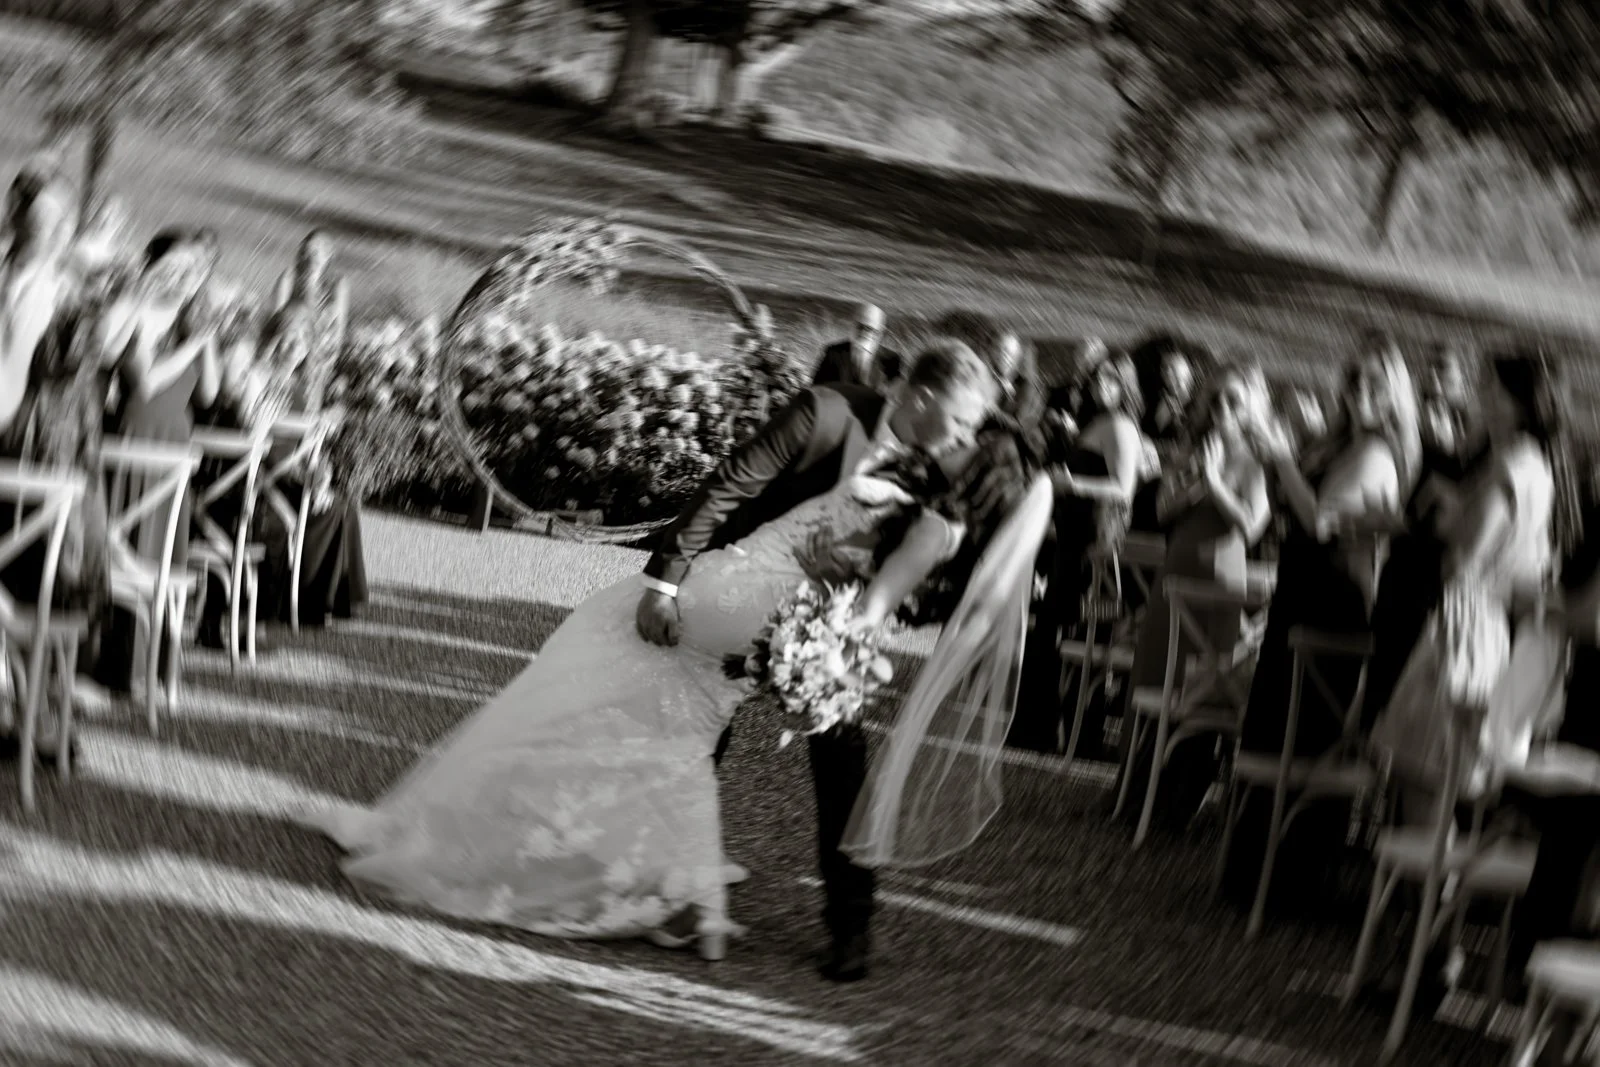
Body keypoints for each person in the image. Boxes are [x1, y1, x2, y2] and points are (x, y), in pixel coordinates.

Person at [296, 344, 1021, 976]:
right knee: (685, 731)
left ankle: (851, 922)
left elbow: (940, 542)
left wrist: (862, 617)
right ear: (920, 398)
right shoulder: (827, 412)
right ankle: (657, 877)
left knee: (841, 761)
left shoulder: (943, 465)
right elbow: (731, 483)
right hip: (735, 596)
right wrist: (665, 580)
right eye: (956, 420)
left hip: (827, 630)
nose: (962, 438)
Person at [1221, 334, 1421, 909]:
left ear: (1393, 396)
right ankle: (1253, 871)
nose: (1359, 390)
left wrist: (1282, 458)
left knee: (1303, 732)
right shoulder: (1342, 444)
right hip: (1302, 594)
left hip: (1332, 603)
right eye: (1353, 378)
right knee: (1276, 721)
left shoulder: (1376, 454)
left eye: (1374, 383)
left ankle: (1287, 880)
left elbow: (1323, 521)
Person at [1113, 366, 1272, 828]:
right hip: (1175, 572)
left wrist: (1217, 482)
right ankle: (1130, 791)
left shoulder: (1255, 459)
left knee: (1202, 685)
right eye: (1217, 399)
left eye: (1234, 401)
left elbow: (1253, 524)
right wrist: (1196, 480)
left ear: (1250, 408)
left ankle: (1175, 799)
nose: (1222, 409)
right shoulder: (1193, 446)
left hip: (1218, 581)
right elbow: (1162, 509)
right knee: (1153, 672)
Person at [0, 166, 113, 767]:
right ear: (16, 217)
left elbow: (18, 387)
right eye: (40, 219)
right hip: (22, 446)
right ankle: (25, 715)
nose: (51, 231)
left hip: (56, 450)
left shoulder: (59, 287)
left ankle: (41, 720)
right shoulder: (14, 279)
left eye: (60, 220)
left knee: (46, 578)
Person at [91, 229, 222, 695]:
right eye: (179, 269)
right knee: (126, 551)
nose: (187, 278)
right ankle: (108, 664)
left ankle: (147, 668)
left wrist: (206, 340)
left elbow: (208, 393)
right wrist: (188, 346)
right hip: (135, 441)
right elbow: (143, 383)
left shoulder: (191, 322)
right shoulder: (143, 315)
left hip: (174, 449)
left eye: (195, 271)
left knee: (161, 557)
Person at [1011, 352, 1146, 755]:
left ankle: (1078, 734)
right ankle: (1041, 727)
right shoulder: (1098, 422)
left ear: (1125, 386)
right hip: (1073, 538)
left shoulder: (1121, 426)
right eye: (1097, 379)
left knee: (1081, 630)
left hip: (1095, 541)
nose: (1100, 387)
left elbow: (1124, 489)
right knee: (1057, 628)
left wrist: (1071, 484)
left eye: (1111, 381)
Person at [1360, 343, 1488, 732]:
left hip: (1434, 581)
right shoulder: (1413, 436)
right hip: (1399, 571)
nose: (1433, 380)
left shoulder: (1472, 448)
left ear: (1463, 386)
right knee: (1379, 682)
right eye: (1428, 371)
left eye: (1444, 373)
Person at [1128, 333, 1212, 533]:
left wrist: (1154, 448)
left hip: (1175, 486)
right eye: (1165, 368)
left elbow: (1195, 450)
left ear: (1190, 370)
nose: (1168, 375)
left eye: (1174, 368)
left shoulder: (1200, 408)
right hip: (1145, 477)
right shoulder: (1155, 404)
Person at [273, 229, 349, 397]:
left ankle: (312, 398)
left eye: (318, 251)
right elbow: (276, 324)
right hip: (292, 348)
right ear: (301, 254)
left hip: (321, 350)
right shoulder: (287, 280)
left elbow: (339, 329)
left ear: (329, 256)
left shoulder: (337, 284)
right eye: (307, 251)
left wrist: (331, 359)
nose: (312, 257)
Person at [811, 302, 899, 389]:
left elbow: (895, 395)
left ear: (879, 332)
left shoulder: (891, 359)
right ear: (853, 325)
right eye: (860, 326)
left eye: (869, 329)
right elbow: (817, 387)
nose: (863, 332)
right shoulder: (833, 352)